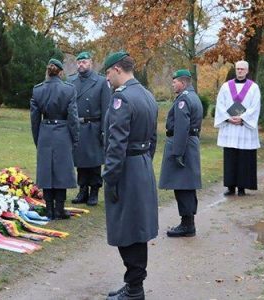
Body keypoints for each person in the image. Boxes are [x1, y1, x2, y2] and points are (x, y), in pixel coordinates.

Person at [102, 51, 158, 300]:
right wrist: (144, 162)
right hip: (142, 165)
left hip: (126, 169)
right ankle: (134, 284)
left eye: (108, 73)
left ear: (116, 70)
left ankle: (135, 288)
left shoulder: (121, 99)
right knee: (137, 228)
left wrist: (111, 177)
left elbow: (116, 144)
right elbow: (153, 138)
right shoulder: (147, 95)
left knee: (126, 229)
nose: (108, 79)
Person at [30, 58, 80, 220]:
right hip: (63, 133)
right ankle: (59, 209)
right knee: (62, 171)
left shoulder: (38, 90)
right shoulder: (69, 90)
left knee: (46, 171)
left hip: (45, 132)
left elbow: (34, 119)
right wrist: (75, 137)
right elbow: (73, 117)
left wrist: (38, 138)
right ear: (60, 72)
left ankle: (49, 209)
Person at [159, 69, 203, 237]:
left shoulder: (183, 99)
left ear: (183, 83)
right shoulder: (194, 96)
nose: (172, 84)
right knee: (187, 185)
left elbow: (182, 127)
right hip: (190, 144)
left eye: (175, 81)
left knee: (182, 186)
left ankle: (187, 225)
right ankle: (188, 222)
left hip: (183, 145)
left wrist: (177, 152)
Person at [68, 51, 111, 206]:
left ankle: (94, 192)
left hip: (94, 126)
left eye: (84, 62)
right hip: (78, 126)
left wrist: (104, 130)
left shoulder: (100, 81)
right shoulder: (71, 81)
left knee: (94, 162)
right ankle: (82, 190)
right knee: (80, 162)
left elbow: (106, 107)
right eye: (79, 62)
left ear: (91, 63)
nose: (81, 65)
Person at [214, 60, 261, 196]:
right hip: (230, 128)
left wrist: (242, 118)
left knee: (244, 159)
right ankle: (230, 186)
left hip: (244, 127)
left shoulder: (253, 87)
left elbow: (255, 106)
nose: (240, 71)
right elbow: (220, 104)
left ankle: (242, 187)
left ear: (247, 71)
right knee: (230, 157)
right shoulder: (225, 87)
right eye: (238, 69)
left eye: (242, 69)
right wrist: (228, 118)